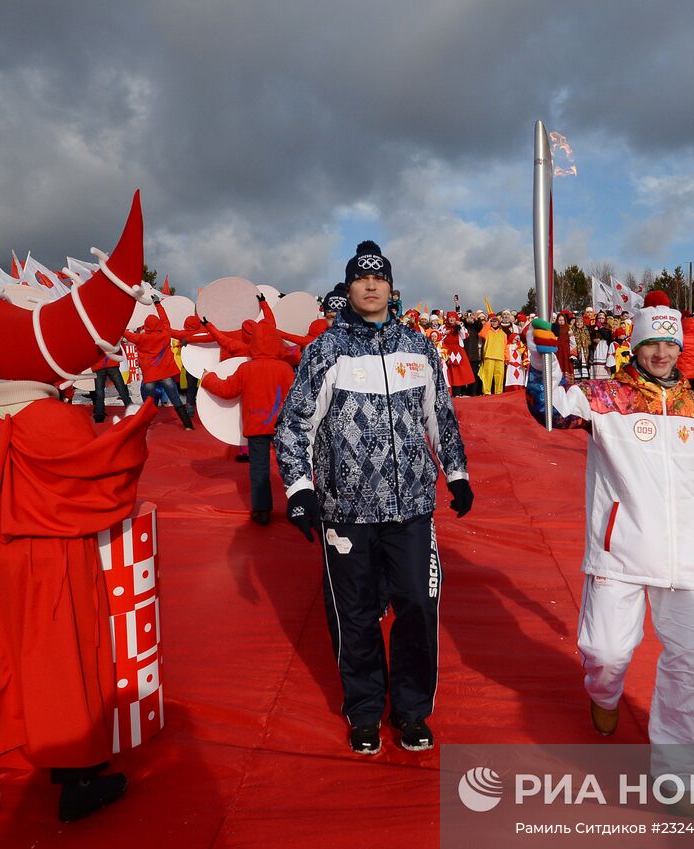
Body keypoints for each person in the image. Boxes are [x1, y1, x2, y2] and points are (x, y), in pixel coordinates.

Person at [525, 296, 694, 814]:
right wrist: (543, 358)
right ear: (635, 343)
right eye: (651, 341)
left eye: (669, 343)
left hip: (685, 567)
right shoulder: (605, 396)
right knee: (607, 654)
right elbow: (550, 411)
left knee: (689, 670)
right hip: (619, 556)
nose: (660, 352)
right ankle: (603, 694)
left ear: (681, 348)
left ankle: (677, 777)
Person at [275, 240, 472, 756]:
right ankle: (364, 711)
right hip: (347, 510)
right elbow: (294, 425)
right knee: (355, 615)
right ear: (348, 288)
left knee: (416, 607)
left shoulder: (420, 347)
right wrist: (300, 490)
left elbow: (441, 416)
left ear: (389, 286)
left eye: (378, 279)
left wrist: (457, 474)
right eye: (361, 280)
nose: (370, 287)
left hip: (411, 509)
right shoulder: (325, 350)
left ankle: (411, 712)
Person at [0, 382, 157, 822]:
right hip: (53, 554)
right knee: (61, 662)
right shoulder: (59, 419)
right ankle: (79, 781)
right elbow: (100, 481)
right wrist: (133, 430)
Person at [200, 309, 297, 524]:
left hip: (256, 425)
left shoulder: (246, 368)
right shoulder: (285, 368)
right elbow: (295, 399)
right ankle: (297, 506)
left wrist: (208, 379)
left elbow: (226, 390)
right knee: (290, 467)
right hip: (283, 426)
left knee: (259, 468)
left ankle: (261, 511)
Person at [121, 296, 198, 429]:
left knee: (148, 405)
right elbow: (165, 320)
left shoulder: (140, 338)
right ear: (158, 325)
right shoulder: (166, 333)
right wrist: (158, 304)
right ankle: (188, 425)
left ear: (145, 325)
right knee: (176, 401)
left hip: (150, 376)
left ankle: (145, 426)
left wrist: (119, 322)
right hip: (166, 374)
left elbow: (126, 334)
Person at [477, 313, 507, 395]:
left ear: (499, 323)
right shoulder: (487, 331)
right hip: (489, 356)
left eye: (495, 321)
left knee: (500, 376)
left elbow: (505, 347)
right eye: (492, 321)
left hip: (500, 357)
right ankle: (487, 391)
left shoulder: (503, 334)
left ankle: (498, 392)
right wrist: (488, 322)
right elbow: (481, 333)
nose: (494, 323)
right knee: (487, 376)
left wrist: (507, 357)